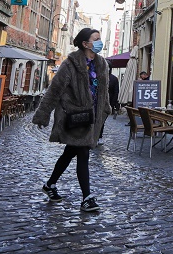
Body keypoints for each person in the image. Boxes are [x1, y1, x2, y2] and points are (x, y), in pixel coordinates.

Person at [32, 28, 111, 212]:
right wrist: (43, 114)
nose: (99, 42)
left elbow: (104, 90)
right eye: (96, 39)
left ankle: (50, 184)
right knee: (83, 153)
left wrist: (106, 108)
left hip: (92, 118)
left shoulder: (102, 64)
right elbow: (54, 90)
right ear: (85, 44)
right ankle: (87, 198)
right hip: (75, 116)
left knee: (69, 153)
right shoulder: (70, 64)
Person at [97, 67, 120, 145]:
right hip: (99, 102)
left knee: (101, 120)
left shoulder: (113, 79)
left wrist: (112, 104)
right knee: (99, 120)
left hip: (106, 102)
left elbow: (116, 92)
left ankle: (99, 136)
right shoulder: (98, 76)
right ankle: (97, 136)